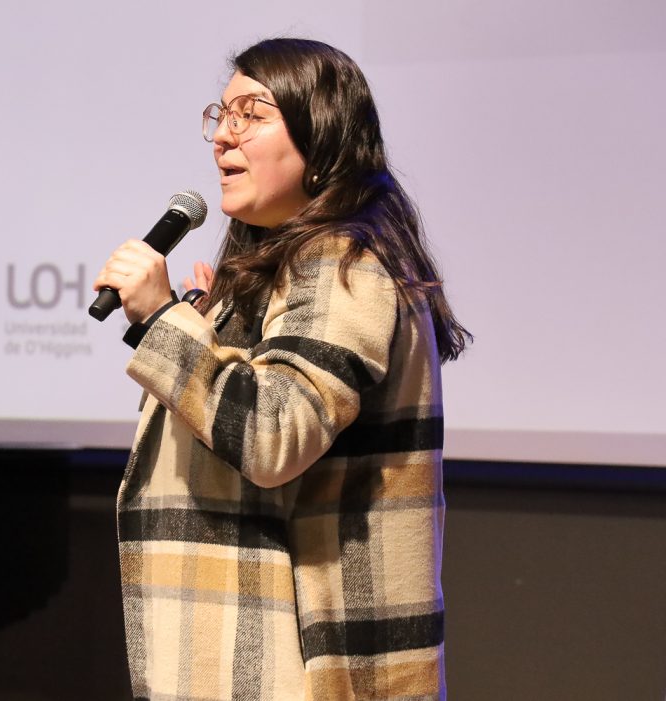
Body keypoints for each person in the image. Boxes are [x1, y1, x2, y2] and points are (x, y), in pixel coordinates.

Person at [93, 37, 470, 701]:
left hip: (306, 668)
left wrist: (162, 320)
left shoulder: (343, 261)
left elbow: (272, 435)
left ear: (320, 134)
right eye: (222, 115)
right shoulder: (298, 264)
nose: (223, 136)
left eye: (251, 114)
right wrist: (207, 331)